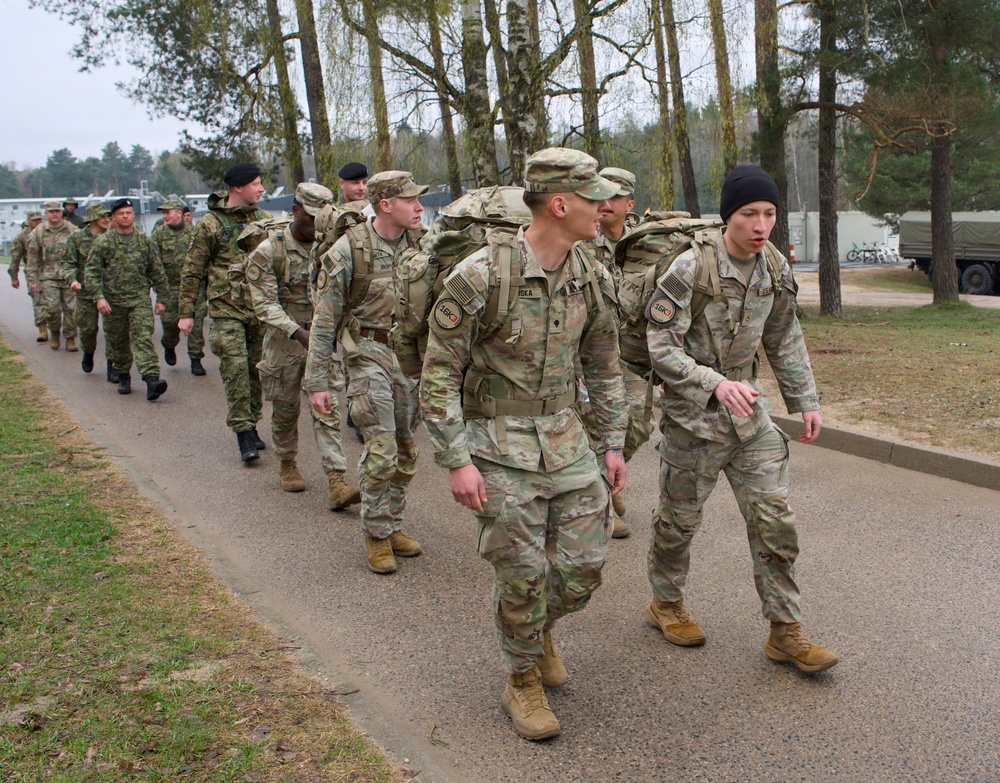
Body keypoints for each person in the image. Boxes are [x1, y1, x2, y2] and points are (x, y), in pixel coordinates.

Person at [420, 148, 627, 741]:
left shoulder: (591, 272)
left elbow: (604, 363)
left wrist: (612, 443)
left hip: (567, 441)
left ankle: (536, 632)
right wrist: (456, 461)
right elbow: (438, 376)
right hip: (496, 444)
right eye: (595, 198)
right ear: (560, 204)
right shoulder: (481, 275)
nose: (605, 208)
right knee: (522, 573)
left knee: (585, 566)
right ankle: (521, 678)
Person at [643, 164, 838, 673]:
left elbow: (784, 335)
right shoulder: (689, 269)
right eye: (749, 213)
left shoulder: (773, 266)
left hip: (750, 420)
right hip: (693, 420)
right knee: (678, 523)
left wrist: (806, 401)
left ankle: (785, 631)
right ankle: (665, 603)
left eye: (770, 213)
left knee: (775, 522)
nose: (761, 224)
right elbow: (660, 346)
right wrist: (713, 382)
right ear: (729, 214)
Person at [304, 170, 427, 575]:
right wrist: (318, 382)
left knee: (407, 449)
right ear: (386, 204)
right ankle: (375, 535)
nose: (420, 207)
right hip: (367, 354)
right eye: (411, 200)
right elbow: (324, 321)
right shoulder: (347, 251)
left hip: (409, 357)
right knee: (382, 449)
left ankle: (392, 525)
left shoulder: (422, 244)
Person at [246, 182, 361, 509]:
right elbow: (264, 304)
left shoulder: (332, 247)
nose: (317, 226)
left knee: (327, 409)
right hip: (284, 340)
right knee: (285, 409)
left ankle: (336, 480)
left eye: (323, 220)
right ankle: (287, 462)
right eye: (311, 218)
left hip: (321, 337)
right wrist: (297, 332)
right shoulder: (270, 250)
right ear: (295, 211)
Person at [177, 163, 270, 462]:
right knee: (235, 368)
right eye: (256, 183)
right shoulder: (211, 225)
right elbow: (193, 270)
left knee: (257, 369)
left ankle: (252, 423)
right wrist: (186, 312)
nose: (261, 188)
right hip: (225, 308)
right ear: (237, 188)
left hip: (259, 308)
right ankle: (243, 432)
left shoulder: (265, 221)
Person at [578, 166, 645, 539]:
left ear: (629, 203)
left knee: (636, 424)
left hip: (633, 353)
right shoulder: (582, 236)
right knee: (592, 427)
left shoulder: (644, 241)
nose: (605, 203)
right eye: (600, 195)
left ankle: (607, 477)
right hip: (590, 353)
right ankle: (601, 499)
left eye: (614, 197)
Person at [85, 198, 170, 401]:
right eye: (121, 213)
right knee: (118, 341)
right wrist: (98, 298)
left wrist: (162, 297)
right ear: (113, 217)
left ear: (133, 215)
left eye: (129, 212)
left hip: (139, 299)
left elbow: (156, 270)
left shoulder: (144, 241)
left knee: (142, 337)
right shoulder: (104, 242)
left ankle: (151, 379)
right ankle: (123, 375)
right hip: (113, 302)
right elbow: (92, 272)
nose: (125, 216)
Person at [151, 199, 206, 376]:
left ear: (180, 214)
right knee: (169, 325)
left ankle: (196, 359)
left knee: (196, 325)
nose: (165, 216)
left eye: (168, 212)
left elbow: (206, 257)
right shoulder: (158, 235)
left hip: (193, 288)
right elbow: (153, 262)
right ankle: (169, 344)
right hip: (170, 288)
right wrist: (157, 286)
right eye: (163, 213)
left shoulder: (195, 232)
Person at [62, 202, 111, 376]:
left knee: (114, 330)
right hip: (86, 292)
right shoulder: (76, 238)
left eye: (108, 216)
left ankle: (113, 365)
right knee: (88, 329)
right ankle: (88, 353)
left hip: (110, 292)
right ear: (92, 219)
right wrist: (72, 280)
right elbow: (67, 263)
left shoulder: (112, 236)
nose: (107, 220)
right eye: (102, 217)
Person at [26, 201, 78, 351]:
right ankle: (55, 332)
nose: (55, 214)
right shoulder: (38, 233)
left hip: (69, 276)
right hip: (48, 277)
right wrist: (33, 280)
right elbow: (33, 259)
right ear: (46, 214)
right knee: (52, 309)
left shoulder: (72, 230)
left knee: (71, 309)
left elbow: (81, 253)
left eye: (57, 211)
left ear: (61, 213)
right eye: (51, 211)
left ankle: (70, 338)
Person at [7, 210, 47, 342]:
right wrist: (14, 276)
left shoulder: (48, 231)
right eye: (34, 220)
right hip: (32, 271)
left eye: (39, 219)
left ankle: (55, 325)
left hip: (50, 271)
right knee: (37, 299)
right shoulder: (22, 236)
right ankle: (42, 328)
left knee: (54, 301)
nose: (37, 222)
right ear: (28, 220)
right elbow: (15, 257)